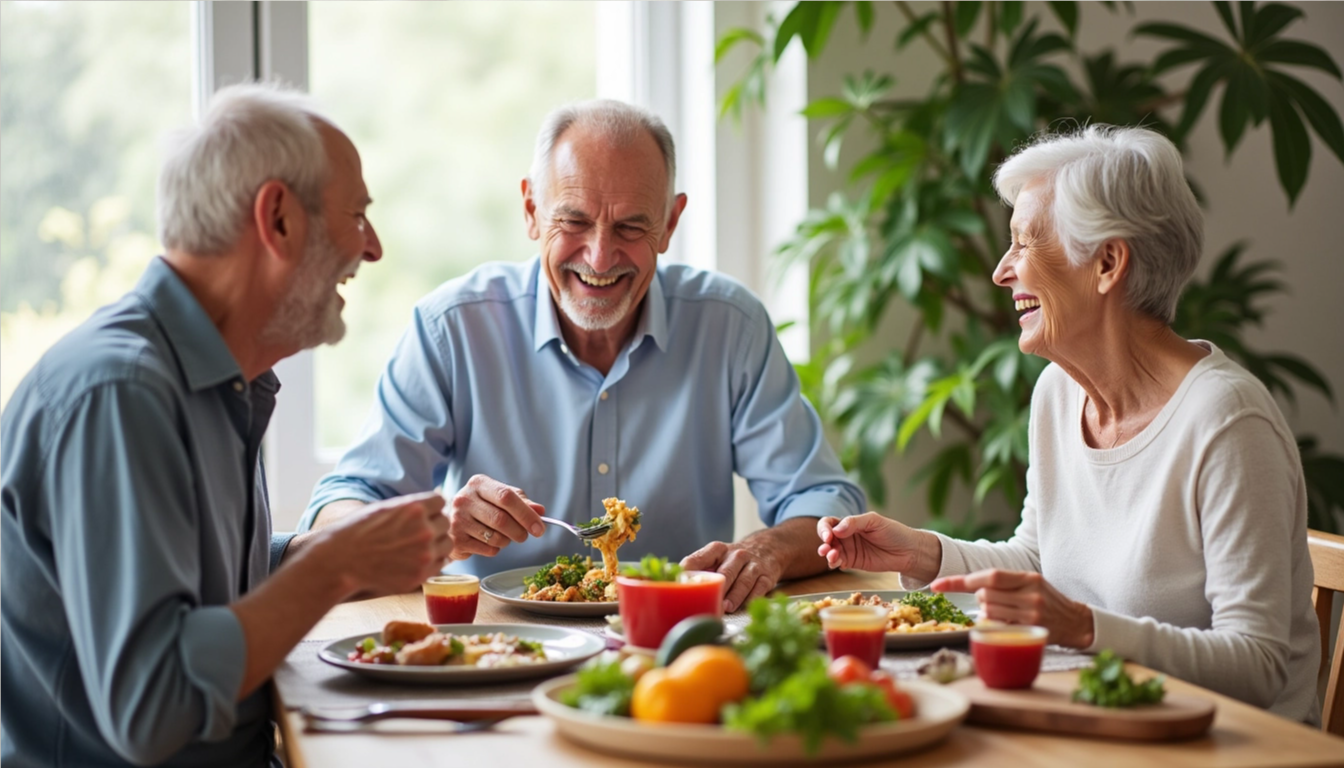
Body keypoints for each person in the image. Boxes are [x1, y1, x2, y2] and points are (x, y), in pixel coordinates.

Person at [0, 84, 455, 767]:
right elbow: (152, 708)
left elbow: (197, 589)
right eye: (357, 215)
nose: (374, 247)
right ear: (277, 220)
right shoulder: (120, 395)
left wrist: (338, 554)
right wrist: (334, 568)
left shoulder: (216, 382)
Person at [817, 125, 1320, 724]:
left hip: (1235, 749)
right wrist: (927, 553)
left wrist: (1083, 627)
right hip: (1109, 724)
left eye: (1026, 244)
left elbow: (1258, 666)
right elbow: (1039, 560)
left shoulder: (1227, 423)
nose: (1003, 272)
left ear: (1107, 263)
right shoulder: (1060, 391)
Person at [301, 99, 864, 611]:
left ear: (669, 224)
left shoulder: (730, 326)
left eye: (631, 226)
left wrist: (766, 549)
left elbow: (825, 504)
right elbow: (341, 507)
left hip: (675, 648)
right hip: (501, 647)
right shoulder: (452, 328)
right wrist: (432, 528)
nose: (599, 256)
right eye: (572, 221)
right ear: (530, 211)